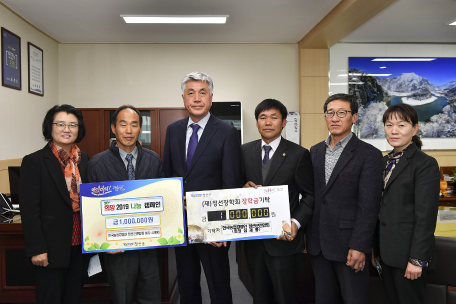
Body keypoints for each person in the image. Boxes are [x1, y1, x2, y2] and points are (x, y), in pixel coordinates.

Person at [163, 71, 242, 304]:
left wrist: (224, 228)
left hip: (213, 224)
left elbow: (230, 182)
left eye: (202, 93)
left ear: (211, 97)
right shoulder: (173, 130)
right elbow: (169, 175)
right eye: (191, 93)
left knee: (219, 285)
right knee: (187, 285)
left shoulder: (227, 131)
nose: (196, 98)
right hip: (182, 224)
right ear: (183, 98)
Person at [306, 93, 384, 304]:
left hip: (350, 247)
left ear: (354, 117)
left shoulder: (370, 155)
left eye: (342, 113)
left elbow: (369, 206)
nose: (335, 118)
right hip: (319, 244)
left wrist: (360, 246)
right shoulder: (314, 151)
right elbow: (310, 195)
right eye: (330, 113)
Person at [241, 99, 314, 304]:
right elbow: (235, 188)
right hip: (253, 241)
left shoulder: (299, 154)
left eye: (274, 117)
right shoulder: (244, 151)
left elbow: (310, 195)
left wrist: (296, 223)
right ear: (256, 123)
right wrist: (242, 189)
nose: (268, 122)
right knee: (260, 295)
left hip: (284, 242)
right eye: (263, 117)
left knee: (286, 295)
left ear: (283, 123)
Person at [88, 105, 163, 304]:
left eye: (134, 125)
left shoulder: (154, 160)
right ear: (113, 128)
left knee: (152, 297)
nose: (128, 131)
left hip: (149, 246)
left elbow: (163, 202)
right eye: (123, 124)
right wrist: (103, 243)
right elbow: (91, 212)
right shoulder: (97, 163)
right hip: (116, 249)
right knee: (122, 298)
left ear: (140, 128)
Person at [20, 104, 89, 304]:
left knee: (73, 297)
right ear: (50, 127)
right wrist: (37, 249)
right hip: (49, 249)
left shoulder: (84, 160)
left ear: (79, 129)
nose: (66, 130)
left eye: (72, 125)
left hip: (80, 245)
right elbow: (30, 210)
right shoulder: (34, 162)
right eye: (60, 124)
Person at [373, 104, 440, 304]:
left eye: (401, 125)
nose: (394, 130)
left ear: (415, 128)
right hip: (385, 254)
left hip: (409, 257)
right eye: (389, 124)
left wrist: (417, 260)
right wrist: (373, 249)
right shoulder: (382, 162)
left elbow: (426, 216)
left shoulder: (425, 163)